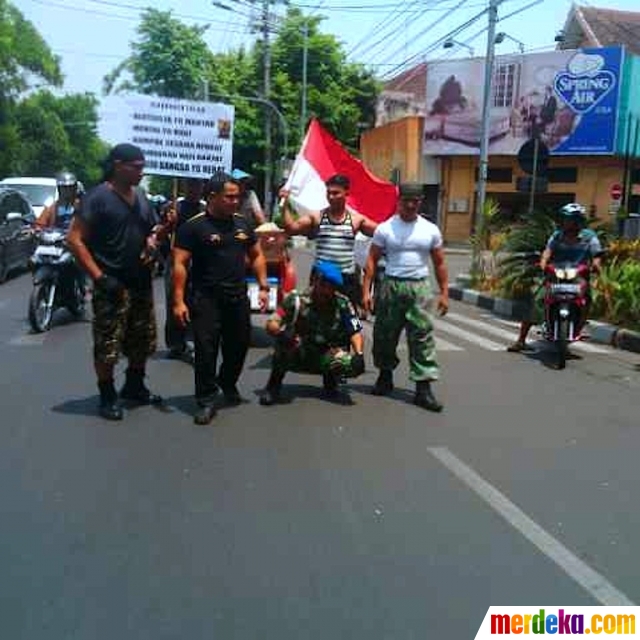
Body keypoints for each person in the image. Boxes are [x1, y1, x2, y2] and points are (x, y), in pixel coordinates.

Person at [67, 143, 169, 421]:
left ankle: (134, 385)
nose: (140, 172)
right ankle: (107, 394)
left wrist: (154, 238)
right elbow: (74, 239)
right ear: (117, 165)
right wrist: (99, 277)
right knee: (107, 343)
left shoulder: (142, 197)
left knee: (142, 339)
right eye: (136, 167)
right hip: (111, 283)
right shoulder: (97, 197)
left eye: (142, 167)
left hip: (140, 281)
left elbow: (151, 230)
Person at [172, 172, 269, 425]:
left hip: (237, 297)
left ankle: (227, 382)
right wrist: (178, 301)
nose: (235, 201)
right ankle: (205, 399)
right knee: (206, 351)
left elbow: (257, 255)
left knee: (238, 346)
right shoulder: (193, 227)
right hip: (206, 299)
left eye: (238, 197)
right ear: (212, 196)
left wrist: (262, 286)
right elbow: (180, 264)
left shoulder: (243, 224)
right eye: (230, 197)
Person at [362, 183, 449, 412]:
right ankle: (385, 377)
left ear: (421, 202)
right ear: (399, 201)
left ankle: (423, 389)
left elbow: (439, 262)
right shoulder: (385, 228)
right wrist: (366, 291)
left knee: (422, 337)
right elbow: (371, 261)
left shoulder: (430, 230)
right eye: (406, 201)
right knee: (384, 335)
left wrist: (445, 293)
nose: (410, 205)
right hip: (391, 285)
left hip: (420, 289)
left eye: (415, 201)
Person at [259, 260, 365, 406]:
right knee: (284, 343)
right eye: (323, 285)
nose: (326, 291)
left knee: (350, 363)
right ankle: (273, 387)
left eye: (331, 287)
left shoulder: (343, 304)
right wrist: (281, 332)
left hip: (326, 353)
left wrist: (359, 354)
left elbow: (355, 331)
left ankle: (331, 380)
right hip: (299, 351)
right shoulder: (296, 299)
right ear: (315, 281)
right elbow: (271, 323)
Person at [507, 202, 603, 353]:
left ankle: (580, 326)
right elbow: (548, 251)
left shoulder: (589, 237)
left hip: (578, 276)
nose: (566, 222)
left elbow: (596, 254)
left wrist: (596, 265)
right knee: (537, 300)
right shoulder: (557, 236)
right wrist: (543, 262)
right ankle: (521, 340)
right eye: (565, 219)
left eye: (570, 219)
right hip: (556, 275)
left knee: (586, 299)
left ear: (578, 221)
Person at [280, 174, 378, 311]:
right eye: (329, 193)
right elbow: (291, 228)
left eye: (336, 193)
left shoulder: (356, 220)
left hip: (345, 278)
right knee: (316, 317)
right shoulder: (317, 217)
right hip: (321, 278)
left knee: (347, 321)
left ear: (346, 193)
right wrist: (284, 204)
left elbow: (383, 233)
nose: (331, 197)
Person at [163, 178, 206, 362]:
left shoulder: (207, 208)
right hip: (176, 261)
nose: (194, 188)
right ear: (185, 186)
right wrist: (169, 223)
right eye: (191, 185)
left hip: (200, 262)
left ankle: (195, 342)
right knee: (174, 301)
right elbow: (160, 233)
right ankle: (176, 344)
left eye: (198, 185)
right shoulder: (174, 206)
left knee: (198, 303)